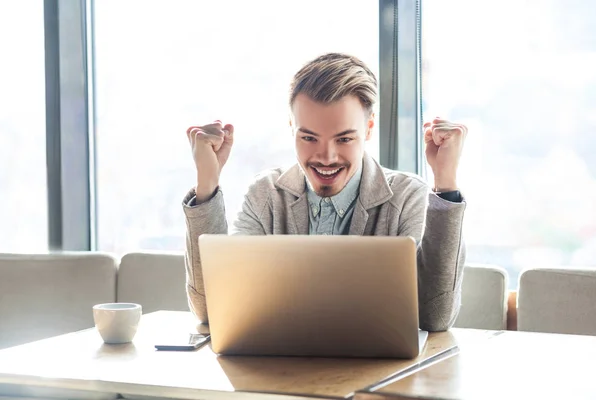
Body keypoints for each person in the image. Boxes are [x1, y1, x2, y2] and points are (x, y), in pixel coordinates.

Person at [182, 53, 467, 332]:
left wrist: (445, 182)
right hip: (274, 372)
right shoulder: (265, 195)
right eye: (308, 137)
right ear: (291, 127)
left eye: (344, 138)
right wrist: (207, 183)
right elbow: (211, 309)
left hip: (381, 375)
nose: (326, 157)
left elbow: (435, 316)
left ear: (368, 129)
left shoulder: (407, 197)